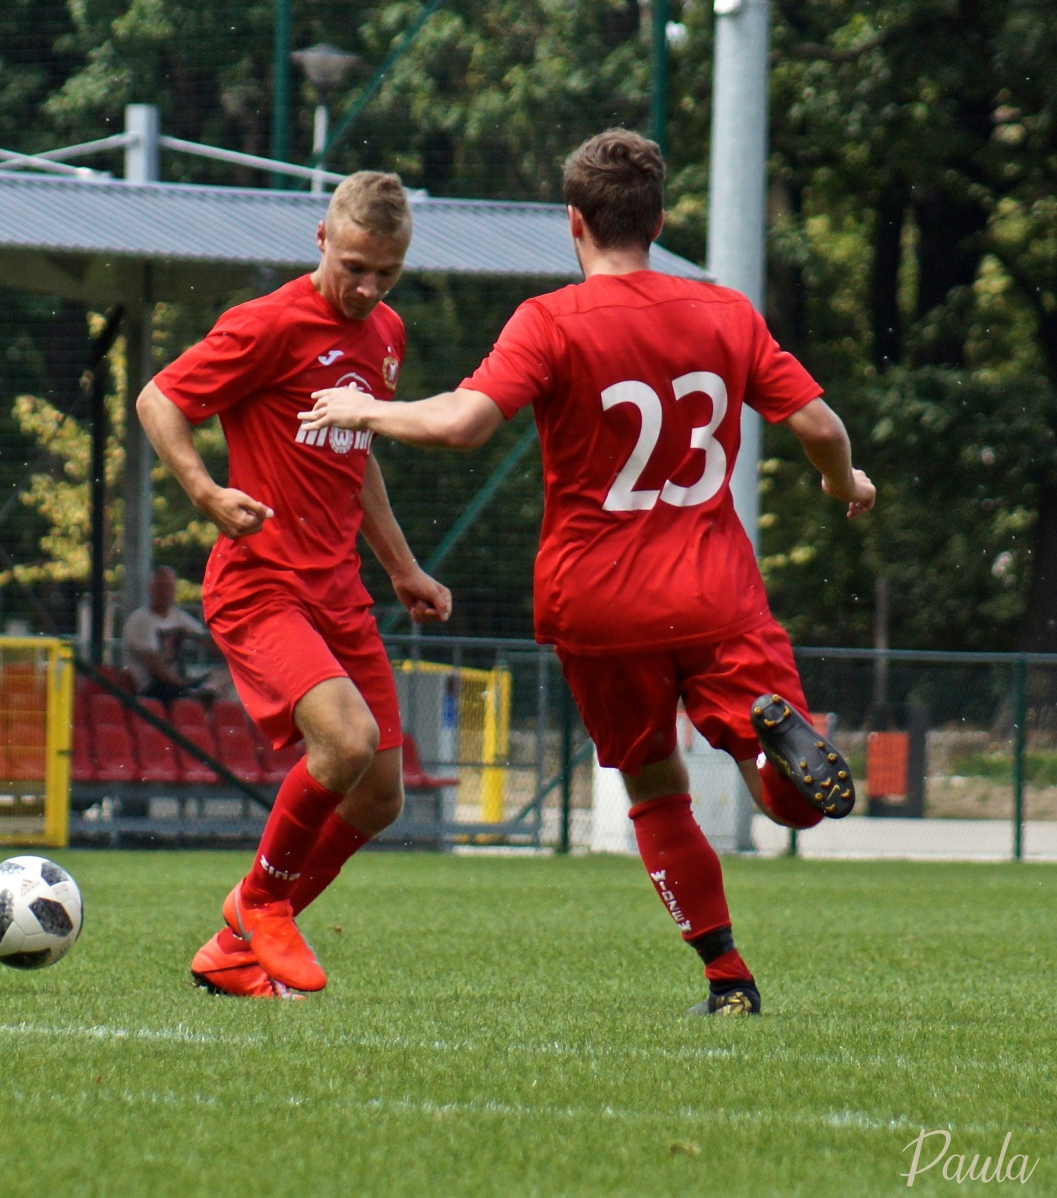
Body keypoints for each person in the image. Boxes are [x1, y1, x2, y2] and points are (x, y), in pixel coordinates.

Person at [301, 130, 875, 1016]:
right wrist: (844, 482)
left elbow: (462, 424)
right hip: (716, 592)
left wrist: (366, 409)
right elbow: (822, 429)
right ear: (659, 220)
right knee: (782, 800)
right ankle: (774, 743)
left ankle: (728, 979)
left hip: (600, 603)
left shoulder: (550, 321)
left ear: (574, 221)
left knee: (654, 786)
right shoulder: (726, 312)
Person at [137, 172, 452, 999]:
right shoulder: (268, 323)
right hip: (260, 584)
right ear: (321, 239)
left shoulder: (386, 332)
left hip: (339, 592)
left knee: (380, 796)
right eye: (354, 267)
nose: (368, 288)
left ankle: (232, 949)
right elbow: (158, 399)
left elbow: (358, 453)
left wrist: (402, 566)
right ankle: (264, 903)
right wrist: (204, 492)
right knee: (345, 742)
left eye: (387, 272)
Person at [121, 566, 210, 702]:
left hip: (178, 683)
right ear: (151, 589)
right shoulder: (140, 620)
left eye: (168, 587)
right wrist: (185, 686)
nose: (164, 592)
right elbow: (155, 667)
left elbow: (206, 639)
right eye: (160, 587)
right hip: (151, 688)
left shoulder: (178, 617)